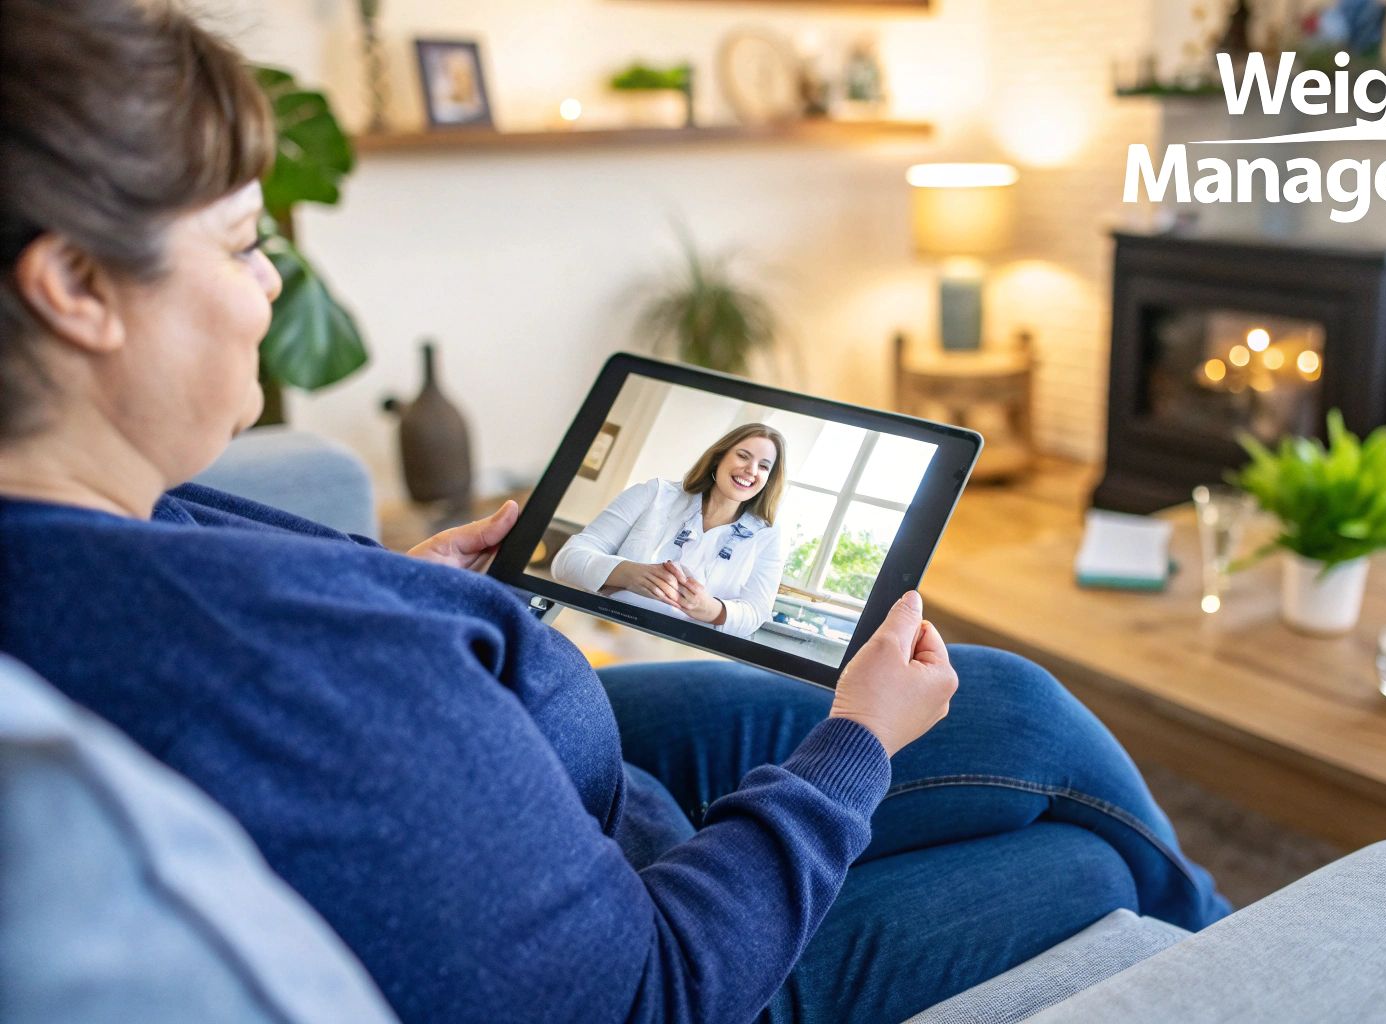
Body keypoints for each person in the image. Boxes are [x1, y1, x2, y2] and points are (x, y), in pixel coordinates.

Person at [0, 2, 1229, 1023]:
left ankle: (1224, 935)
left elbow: (715, 605)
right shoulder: (304, 680)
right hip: (651, 931)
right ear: (75, 286)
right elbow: (648, 989)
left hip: (551, 772)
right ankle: (1260, 961)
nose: (272, 280)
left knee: (1013, 703)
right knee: (1075, 864)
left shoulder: (80, 526)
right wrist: (851, 741)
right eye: (237, 243)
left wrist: (417, 582)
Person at [552, 423, 786, 638]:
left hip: (683, 651)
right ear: (719, 458)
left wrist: (708, 608)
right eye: (743, 456)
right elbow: (566, 561)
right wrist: (627, 573)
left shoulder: (768, 537)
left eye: (764, 466)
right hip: (600, 631)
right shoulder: (654, 494)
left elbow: (756, 613)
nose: (751, 470)